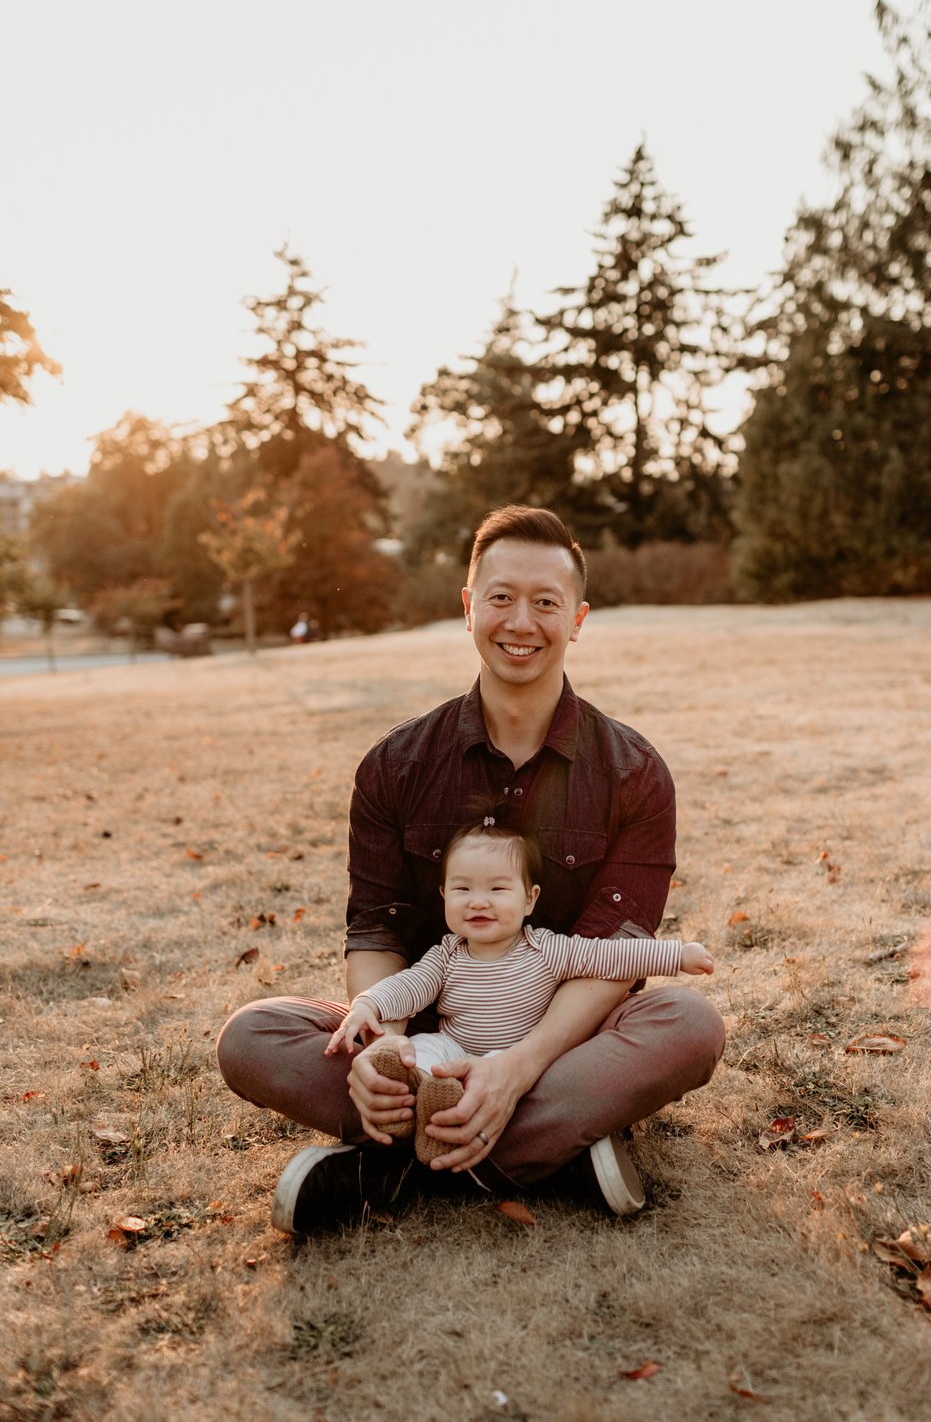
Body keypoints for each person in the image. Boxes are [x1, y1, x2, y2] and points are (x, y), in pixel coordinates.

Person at [216, 504, 726, 1235]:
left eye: (546, 602)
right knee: (251, 1037)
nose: (521, 622)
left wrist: (518, 1068)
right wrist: (384, 1050)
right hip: (428, 1047)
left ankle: (390, 1166)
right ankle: (550, 1153)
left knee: (688, 1024)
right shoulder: (395, 766)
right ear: (468, 607)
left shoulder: (634, 773)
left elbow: (612, 954)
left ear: (577, 619)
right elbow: (378, 929)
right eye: (501, 597)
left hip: (568, 1049)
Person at [331, 816, 714, 1166]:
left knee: (533, 1073)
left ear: (529, 899)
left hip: (513, 1060)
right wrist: (369, 1004)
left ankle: (432, 1133)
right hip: (453, 1052)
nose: (478, 901)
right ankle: (413, 1097)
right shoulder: (446, 955)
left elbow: (610, 956)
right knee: (422, 1049)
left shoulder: (546, 950)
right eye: (463, 888)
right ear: (444, 894)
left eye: (497, 888)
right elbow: (408, 986)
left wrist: (677, 955)